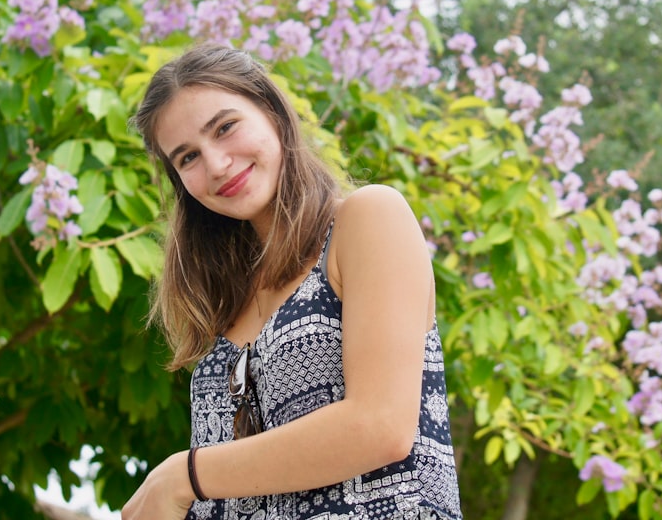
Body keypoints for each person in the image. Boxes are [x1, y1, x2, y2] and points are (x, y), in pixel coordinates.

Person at [122, 43, 462, 520]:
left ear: (273, 113)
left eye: (225, 127)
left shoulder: (365, 220)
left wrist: (185, 476)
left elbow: (380, 425)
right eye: (187, 158)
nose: (216, 164)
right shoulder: (228, 304)